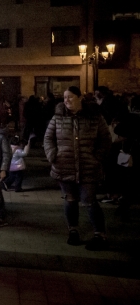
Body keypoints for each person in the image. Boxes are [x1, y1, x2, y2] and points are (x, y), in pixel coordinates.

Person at [44, 87, 112, 251]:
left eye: (70, 97)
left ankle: (100, 234)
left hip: (88, 166)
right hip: (64, 165)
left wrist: (97, 157)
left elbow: (105, 138)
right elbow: (48, 138)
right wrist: (53, 155)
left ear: (80, 98)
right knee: (70, 199)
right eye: (64, 97)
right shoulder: (58, 117)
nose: (66, 100)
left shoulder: (94, 117)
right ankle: (73, 230)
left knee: (89, 200)